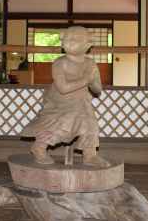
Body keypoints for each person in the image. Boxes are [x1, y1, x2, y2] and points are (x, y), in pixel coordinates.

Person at [21, 26, 109, 167]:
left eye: (74, 39)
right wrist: (86, 80)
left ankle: (90, 155)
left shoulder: (90, 64)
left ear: (87, 45)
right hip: (60, 102)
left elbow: (97, 89)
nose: (68, 42)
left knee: (90, 124)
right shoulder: (60, 63)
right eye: (66, 39)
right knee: (62, 123)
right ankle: (39, 148)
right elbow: (63, 88)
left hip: (82, 101)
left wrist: (93, 82)